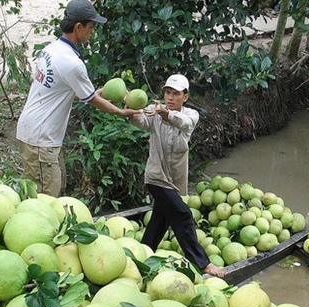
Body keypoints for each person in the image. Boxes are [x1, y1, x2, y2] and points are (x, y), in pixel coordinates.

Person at [16, 0, 140, 197]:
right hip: (40, 137)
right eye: (91, 27)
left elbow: (57, 91)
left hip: (35, 132)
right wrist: (120, 112)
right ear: (78, 27)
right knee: (44, 199)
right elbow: (91, 100)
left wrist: (93, 94)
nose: (92, 32)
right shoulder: (72, 62)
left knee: (54, 188)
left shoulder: (51, 49)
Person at [129, 74, 225, 277]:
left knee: (161, 218)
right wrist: (127, 106)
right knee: (183, 214)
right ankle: (202, 263)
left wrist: (166, 114)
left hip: (175, 179)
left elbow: (185, 123)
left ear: (185, 97)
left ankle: (143, 254)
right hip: (156, 176)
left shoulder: (190, 115)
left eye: (175, 94)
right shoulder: (154, 113)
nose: (170, 97)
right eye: (167, 93)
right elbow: (139, 120)